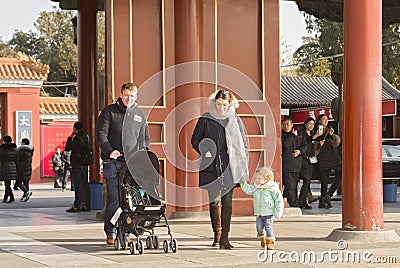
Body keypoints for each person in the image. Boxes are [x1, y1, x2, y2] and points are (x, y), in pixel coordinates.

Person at [191, 89, 249, 250]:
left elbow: (243, 143)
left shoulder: (235, 119)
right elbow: (194, 139)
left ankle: (225, 237)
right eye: (218, 104)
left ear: (230, 104)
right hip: (211, 165)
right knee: (214, 201)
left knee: (227, 201)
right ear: (214, 103)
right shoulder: (206, 118)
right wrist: (203, 149)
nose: (221, 108)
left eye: (224, 105)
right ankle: (216, 233)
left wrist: (243, 165)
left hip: (229, 166)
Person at [96, 82, 150, 245]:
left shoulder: (140, 115)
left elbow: (145, 139)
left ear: (136, 97)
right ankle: (111, 230)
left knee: (129, 198)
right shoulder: (109, 112)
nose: (129, 98)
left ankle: (125, 231)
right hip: (112, 161)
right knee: (115, 197)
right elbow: (101, 135)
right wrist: (110, 151)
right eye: (127, 95)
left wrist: (143, 153)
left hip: (132, 163)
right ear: (121, 94)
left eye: (132, 96)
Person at [240, 167, 284, 250]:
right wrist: (243, 183)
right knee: (259, 228)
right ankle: (262, 238)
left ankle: (270, 242)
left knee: (268, 227)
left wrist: (278, 212)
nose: (257, 180)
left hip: (269, 213)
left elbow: (278, 200)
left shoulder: (272, 188)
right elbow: (248, 190)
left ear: (267, 179)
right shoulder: (256, 187)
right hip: (259, 213)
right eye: (256, 178)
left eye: (259, 178)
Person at [313, 114, 341, 209]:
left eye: (326, 119)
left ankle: (325, 198)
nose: (325, 121)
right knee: (324, 180)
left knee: (327, 180)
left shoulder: (329, 130)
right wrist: (318, 137)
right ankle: (324, 199)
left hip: (330, 158)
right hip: (321, 157)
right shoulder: (317, 129)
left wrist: (332, 135)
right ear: (319, 121)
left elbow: (335, 143)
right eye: (323, 119)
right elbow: (315, 140)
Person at [65, 121, 92, 212]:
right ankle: (88, 204)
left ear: (75, 128)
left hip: (77, 163)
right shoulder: (86, 137)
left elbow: (68, 148)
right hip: (85, 164)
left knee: (77, 184)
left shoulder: (77, 138)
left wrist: (70, 137)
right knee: (85, 184)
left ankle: (77, 204)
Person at [281, 117, 308, 208]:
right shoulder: (283, 135)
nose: (286, 126)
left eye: (288, 124)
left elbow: (305, 146)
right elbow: (286, 144)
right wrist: (292, 135)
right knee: (290, 185)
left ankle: (294, 201)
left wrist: (299, 151)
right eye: (284, 124)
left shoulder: (299, 135)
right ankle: (293, 203)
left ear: (292, 125)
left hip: (297, 165)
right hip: (287, 165)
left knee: (295, 184)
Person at [298, 117, 318, 209]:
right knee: (307, 180)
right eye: (309, 124)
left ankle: (304, 201)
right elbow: (305, 143)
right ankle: (300, 201)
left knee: (308, 182)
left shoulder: (313, 134)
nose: (311, 126)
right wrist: (314, 137)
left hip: (311, 159)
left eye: (313, 124)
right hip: (304, 159)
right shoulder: (302, 134)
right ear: (305, 124)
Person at [0, 136, 18, 203]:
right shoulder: (15, 149)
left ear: (4, 141)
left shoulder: (3, 149)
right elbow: (17, 158)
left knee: (7, 184)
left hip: (5, 167)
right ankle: (5, 197)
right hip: (13, 166)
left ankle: (11, 197)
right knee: (8, 183)